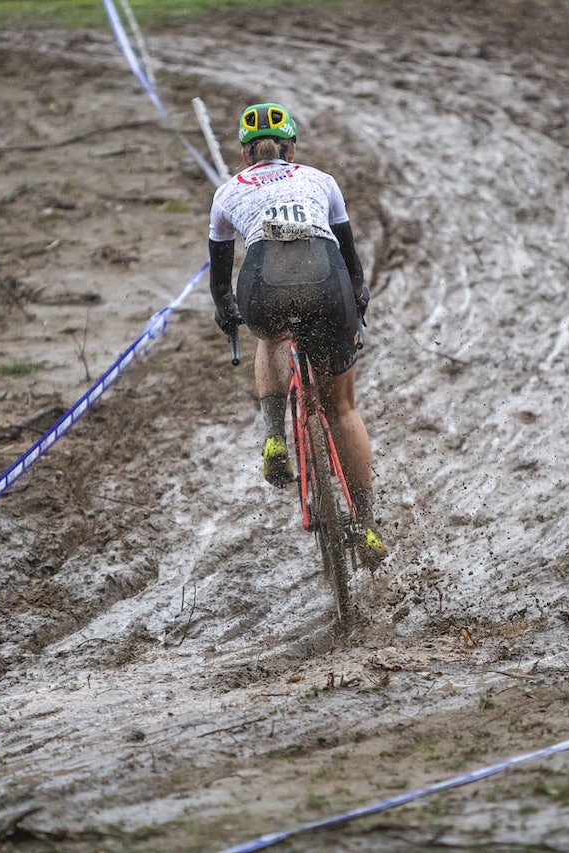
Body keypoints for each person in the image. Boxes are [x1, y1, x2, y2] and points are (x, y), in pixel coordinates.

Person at [208, 102, 386, 568]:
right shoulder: (321, 180)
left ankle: (273, 437)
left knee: (270, 337)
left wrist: (228, 316)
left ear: (246, 155)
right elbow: (350, 258)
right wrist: (358, 301)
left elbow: (221, 281)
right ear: (293, 148)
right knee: (342, 407)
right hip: (328, 282)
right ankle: (367, 526)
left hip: (266, 286)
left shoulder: (229, 192)